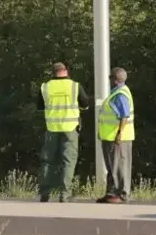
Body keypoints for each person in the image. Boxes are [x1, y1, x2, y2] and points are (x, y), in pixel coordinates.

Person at [36, 61, 91, 202]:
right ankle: (64, 194)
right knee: (68, 161)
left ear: (53, 72)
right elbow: (85, 104)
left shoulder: (45, 87)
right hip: (70, 127)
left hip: (52, 128)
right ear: (66, 71)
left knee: (47, 161)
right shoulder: (75, 86)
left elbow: (40, 107)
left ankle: (44, 193)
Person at [96, 66, 134, 203]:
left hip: (117, 138)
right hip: (109, 136)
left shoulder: (120, 95)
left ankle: (121, 193)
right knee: (112, 166)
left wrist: (119, 134)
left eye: (110, 77)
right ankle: (111, 192)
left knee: (118, 166)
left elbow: (124, 116)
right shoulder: (117, 92)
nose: (109, 80)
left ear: (115, 79)